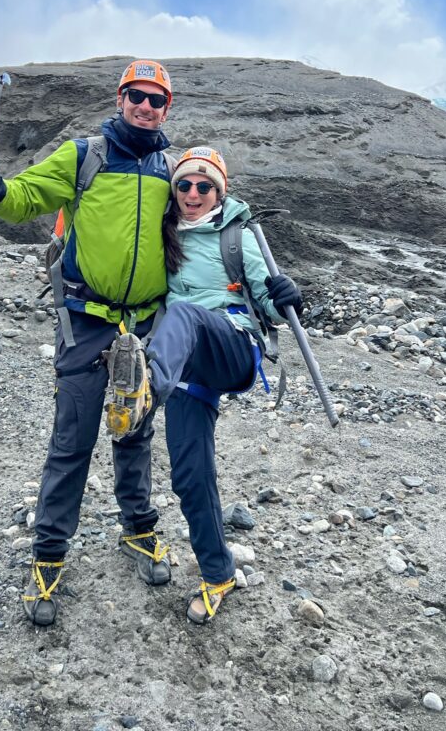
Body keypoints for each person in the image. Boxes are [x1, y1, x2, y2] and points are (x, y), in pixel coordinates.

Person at [0, 60, 176, 627]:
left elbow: (205, 228)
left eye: (157, 100)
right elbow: (26, 196)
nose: (146, 106)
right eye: (137, 95)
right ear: (121, 97)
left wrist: (263, 285)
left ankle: (140, 529)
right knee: (72, 439)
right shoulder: (85, 156)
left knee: (135, 430)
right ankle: (48, 555)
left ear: (166, 108)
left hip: (146, 324)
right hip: (86, 321)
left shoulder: (171, 172)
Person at [144, 146, 303, 624]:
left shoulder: (237, 237)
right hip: (188, 364)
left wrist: (285, 298)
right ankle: (219, 573)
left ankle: (146, 387)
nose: (193, 193)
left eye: (204, 185)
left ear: (220, 191)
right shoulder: (163, 231)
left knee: (185, 314)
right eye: (185, 185)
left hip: (231, 343)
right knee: (189, 475)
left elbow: (271, 308)